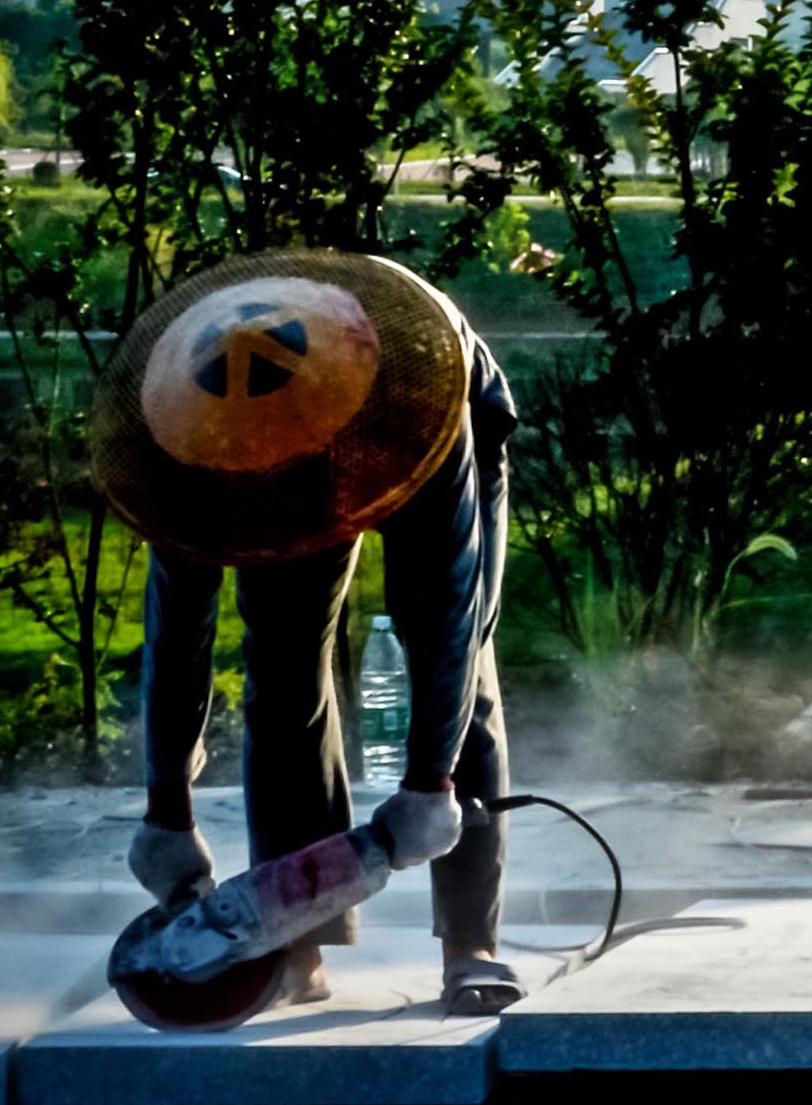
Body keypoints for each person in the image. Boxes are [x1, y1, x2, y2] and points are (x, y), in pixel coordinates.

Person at [91, 248, 524, 1014]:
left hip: (416, 412)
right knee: (284, 669)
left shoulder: (422, 395)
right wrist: (167, 812)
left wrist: (429, 785)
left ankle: (471, 945)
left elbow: (451, 615)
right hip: (274, 446)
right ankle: (299, 943)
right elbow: (178, 634)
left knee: (456, 670)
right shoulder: (184, 443)